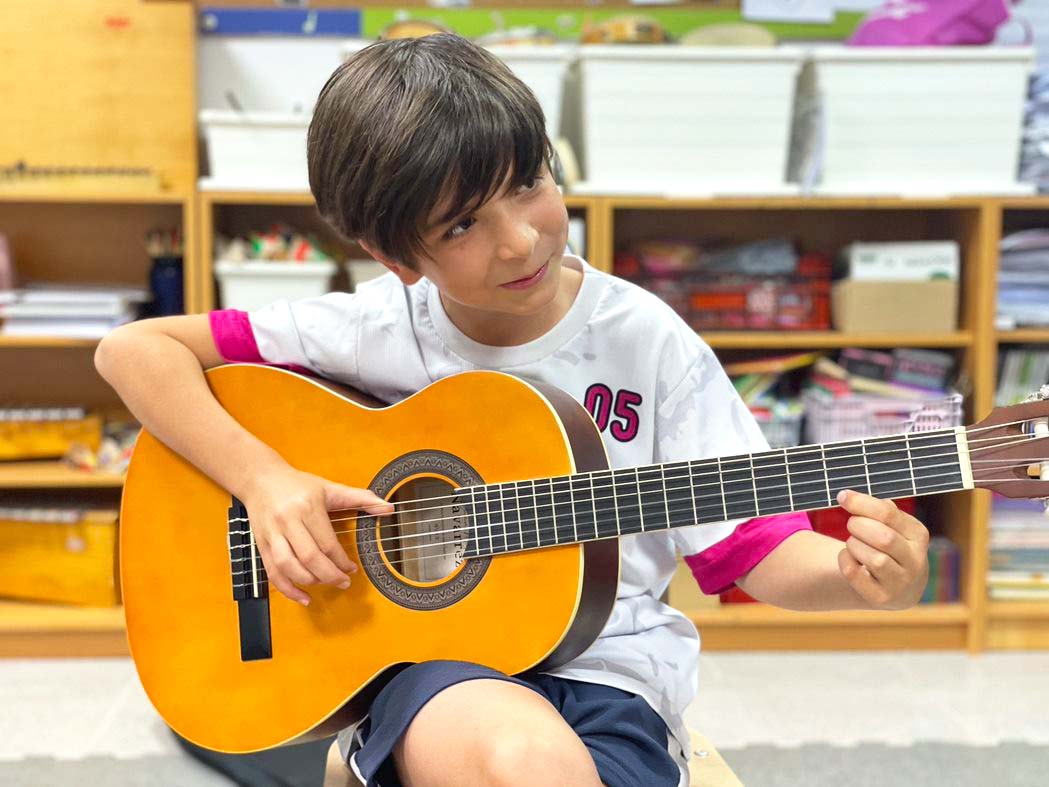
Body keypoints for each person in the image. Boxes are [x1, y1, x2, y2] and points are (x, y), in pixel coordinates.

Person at [95, 33, 933, 787]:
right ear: (395, 256)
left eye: (528, 184)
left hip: (611, 679)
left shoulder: (646, 341)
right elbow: (132, 351)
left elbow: (753, 549)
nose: (520, 240)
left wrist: (862, 580)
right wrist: (267, 481)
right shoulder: (373, 326)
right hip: (433, 672)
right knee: (523, 761)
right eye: (462, 223)